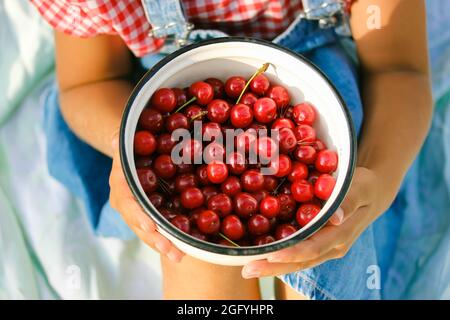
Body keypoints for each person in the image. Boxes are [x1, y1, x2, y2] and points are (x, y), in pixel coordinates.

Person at [30, 0, 432, 299]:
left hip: (319, 83)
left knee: (329, 250)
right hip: (153, 100)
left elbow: (399, 68)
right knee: (198, 260)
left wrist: (379, 179)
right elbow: (88, 82)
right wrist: (127, 143)